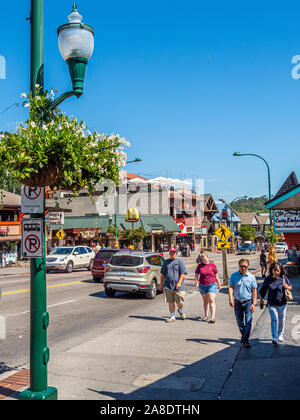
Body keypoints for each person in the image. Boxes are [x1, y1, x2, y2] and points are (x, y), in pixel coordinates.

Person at [259, 262, 293, 345]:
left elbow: (290, 287)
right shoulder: (268, 279)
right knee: (274, 319)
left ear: (280, 271)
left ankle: (280, 335)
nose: (276, 272)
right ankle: (274, 337)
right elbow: (263, 290)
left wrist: (286, 286)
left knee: (282, 320)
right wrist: (261, 299)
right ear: (271, 270)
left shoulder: (283, 278)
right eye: (274, 270)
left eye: (277, 270)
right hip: (272, 304)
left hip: (282, 303)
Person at [229, 259, 257, 348]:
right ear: (239, 266)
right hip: (237, 302)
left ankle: (245, 340)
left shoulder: (251, 277)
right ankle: (244, 336)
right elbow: (230, 287)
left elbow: (254, 291)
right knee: (240, 322)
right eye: (241, 266)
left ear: (248, 267)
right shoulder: (234, 276)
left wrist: (254, 303)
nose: (243, 268)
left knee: (248, 322)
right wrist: (230, 299)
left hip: (248, 302)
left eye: (245, 266)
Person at [160, 247, 188, 322]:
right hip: (168, 285)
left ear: (176, 253)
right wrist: (161, 283)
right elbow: (162, 273)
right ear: (169, 253)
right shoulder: (166, 262)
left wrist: (179, 282)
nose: (172, 253)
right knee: (170, 301)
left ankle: (180, 310)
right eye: (171, 252)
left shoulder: (180, 261)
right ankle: (172, 316)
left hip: (178, 286)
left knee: (180, 302)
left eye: (174, 252)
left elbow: (183, 273)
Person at [194, 252, 222, 323]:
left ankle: (212, 317)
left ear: (208, 258)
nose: (204, 261)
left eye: (205, 259)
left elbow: (216, 276)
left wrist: (219, 284)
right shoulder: (199, 266)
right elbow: (196, 275)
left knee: (211, 300)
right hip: (202, 286)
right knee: (205, 301)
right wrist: (196, 283)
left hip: (212, 285)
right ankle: (206, 315)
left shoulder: (212, 265)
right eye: (203, 260)